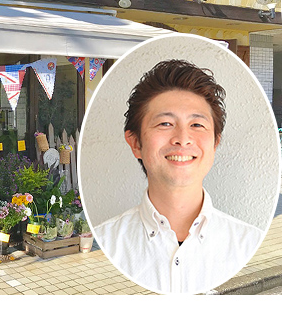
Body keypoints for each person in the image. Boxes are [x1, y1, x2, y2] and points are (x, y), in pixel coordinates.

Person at [94, 59, 264, 294]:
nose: (183, 139)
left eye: (197, 125)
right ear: (135, 143)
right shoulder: (103, 244)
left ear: (215, 143)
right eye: (165, 123)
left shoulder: (250, 244)